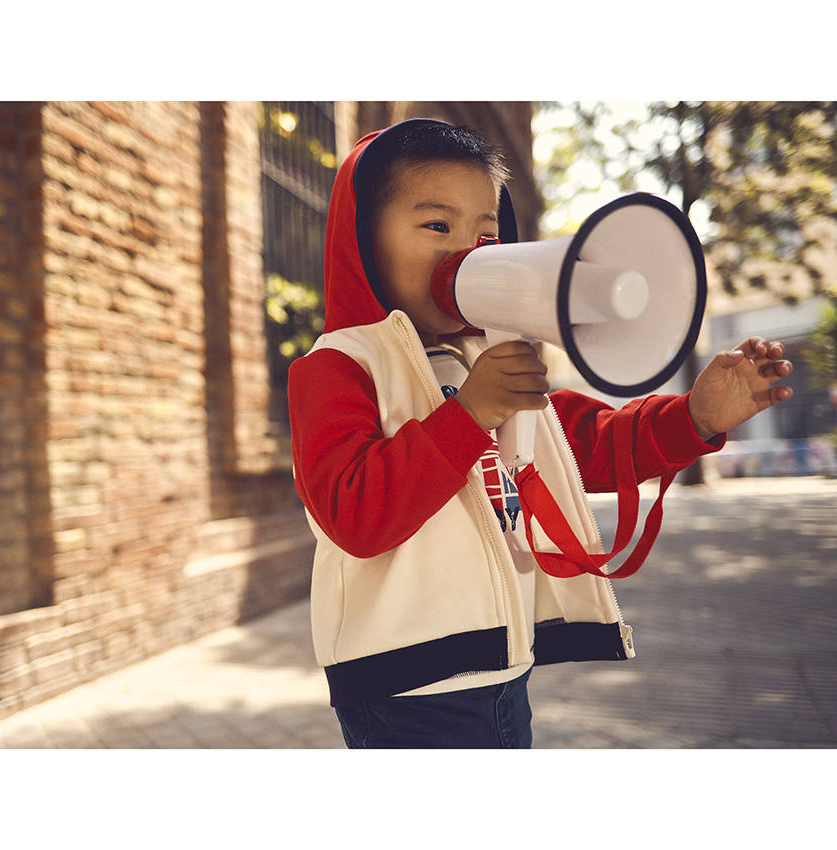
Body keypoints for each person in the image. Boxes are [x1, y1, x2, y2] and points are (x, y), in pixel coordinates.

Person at [287, 118, 794, 749]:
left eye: (486, 234)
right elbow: (354, 513)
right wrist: (469, 414)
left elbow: (586, 444)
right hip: (406, 684)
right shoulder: (338, 367)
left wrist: (694, 417)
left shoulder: (484, 359)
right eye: (437, 226)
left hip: (504, 662)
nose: (466, 252)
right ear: (363, 240)